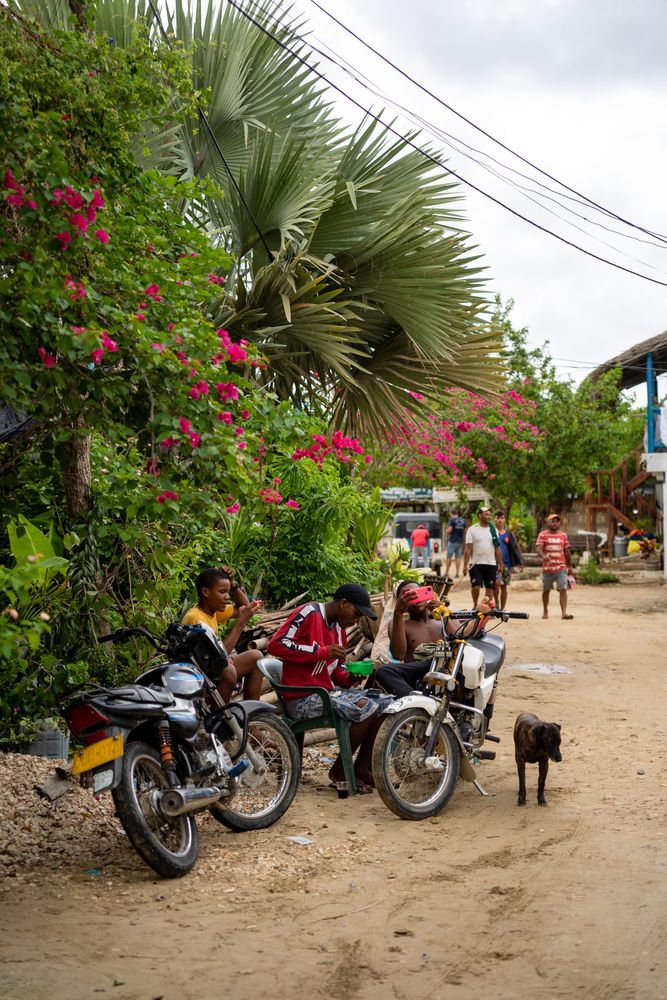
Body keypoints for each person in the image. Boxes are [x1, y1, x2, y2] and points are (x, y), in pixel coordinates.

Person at [267, 583, 393, 794]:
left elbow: (335, 673)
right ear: (343, 603)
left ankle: (360, 768)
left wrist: (350, 677)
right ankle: (340, 771)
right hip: (302, 698)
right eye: (356, 613)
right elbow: (276, 645)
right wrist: (320, 651)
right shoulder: (309, 613)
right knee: (366, 706)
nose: (356, 620)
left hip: (327, 693)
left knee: (386, 704)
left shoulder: (338, 630)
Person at [376, 581, 492, 698]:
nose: (415, 600)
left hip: (450, 669)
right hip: (419, 675)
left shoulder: (445, 616)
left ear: (427, 595)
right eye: (408, 597)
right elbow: (398, 655)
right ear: (402, 603)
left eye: (418, 594)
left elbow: (458, 640)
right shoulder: (401, 624)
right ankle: (415, 702)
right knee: (384, 672)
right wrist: (398, 613)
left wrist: (443, 614)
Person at [182, 568, 264, 701]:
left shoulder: (213, 611)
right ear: (205, 592)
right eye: (222, 592)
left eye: (228, 591)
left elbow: (244, 607)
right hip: (200, 676)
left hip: (212, 666)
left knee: (256, 657)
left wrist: (233, 585)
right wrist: (241, 623)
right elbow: (219, 658)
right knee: (228, 672)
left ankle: (252, 712)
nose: (227, 596)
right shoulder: (196, 619)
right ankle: (219, 716)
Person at [463, 506, 503, 606]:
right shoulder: (472, 530)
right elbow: (468, 549)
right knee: (475, 586)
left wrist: (500, 564)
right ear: (479, 515)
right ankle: (475, 604)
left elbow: (497, 549)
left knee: (490, 588)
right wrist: (465, 565)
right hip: (476, 564)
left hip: (491, 563)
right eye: (486, 514)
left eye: (489, 515)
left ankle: (485, 608)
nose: (489, 517)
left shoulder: (494, 531)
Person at [536, 514, 573, 620]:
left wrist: (569, 566)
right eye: (552, 521)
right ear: (548, 523)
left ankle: (564, 613)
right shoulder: (543, 535)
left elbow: (567, 551)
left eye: (557, 521)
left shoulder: (563, 536)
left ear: (559, 523)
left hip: (561, 567)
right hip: (548, 568)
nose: (555, 523)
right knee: (546, 590)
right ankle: (545, 610)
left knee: (563, 588)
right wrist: (544, 556)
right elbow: (538, 548)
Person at [493, 510, 524, 610]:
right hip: (494, 564)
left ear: (504, 520)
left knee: (504, 586)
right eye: (498, 518)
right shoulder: (492, 533)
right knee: (496, 584)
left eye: (502, 518)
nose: (500, 520)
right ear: (494, 519)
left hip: (507, 564)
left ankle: (502, 608)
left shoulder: (509, 534)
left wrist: (520, 562)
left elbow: (516, 548)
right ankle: (496, 603)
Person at [444, 509, 466, 579]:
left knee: (448, 557)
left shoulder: (452, 520)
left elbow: (449, 530)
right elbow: (465, 530)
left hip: (453, 541)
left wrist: (447, 531)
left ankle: (446, 573)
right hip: (460, 542)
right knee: (458, 557)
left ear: (452, 514)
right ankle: (457, 573)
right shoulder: (463, 520)